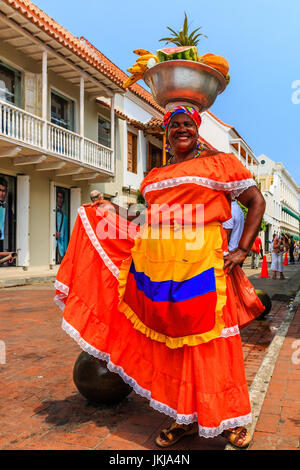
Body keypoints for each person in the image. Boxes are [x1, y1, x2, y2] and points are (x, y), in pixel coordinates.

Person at [55, 106, 265, 449]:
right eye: (174, 126)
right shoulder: (155, 176)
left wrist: (242, 249)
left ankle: (226, 420)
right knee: (173, 347)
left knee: (213, 347)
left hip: (205, 268)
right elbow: (149, 220)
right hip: (160, 270)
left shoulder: (220, 163)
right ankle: (182, 417)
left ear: (197, 130)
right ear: (167, 134)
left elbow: (256, 201)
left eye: (187, 124)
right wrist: (112, 211)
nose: (181, 130)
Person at [223, 198, 245, 265]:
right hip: (235, 254)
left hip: (228, 256)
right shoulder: (237, 208)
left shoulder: (229, 209)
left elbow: (226, 236)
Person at [56, 189, 68, 264]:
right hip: (51, 248)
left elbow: (66, 236)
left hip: (61, 249)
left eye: (61, 197)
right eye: (58, 197)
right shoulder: (51, 213)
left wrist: (66, 252)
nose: (60, 199)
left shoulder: (65, 217)